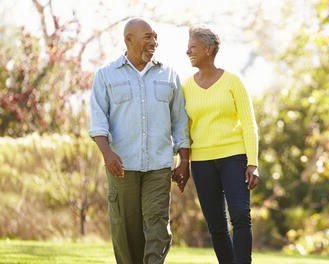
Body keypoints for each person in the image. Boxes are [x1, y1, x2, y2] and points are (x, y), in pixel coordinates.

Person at [89, 17, 190, 264]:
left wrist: (184, 160)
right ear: (128, 39)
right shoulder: (106, 76)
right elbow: (98, 120)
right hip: (121, 165)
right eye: (148, 37)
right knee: (126, 230)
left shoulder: (169, 75)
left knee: (158, 226)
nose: (154, 42)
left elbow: (180, 121)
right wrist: (107, 153)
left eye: (155, 37)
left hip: (159, 165)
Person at [178, 25, 260, 264]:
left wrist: (253, 163)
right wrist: (183, 161)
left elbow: (249, 124)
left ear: (208, 49)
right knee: (216, 225)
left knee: (241, 215)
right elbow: (183, 129)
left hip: (234, 157)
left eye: (192, 47)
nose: (187, 51)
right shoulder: (185, 87)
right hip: (201, 163)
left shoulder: (233, 81)